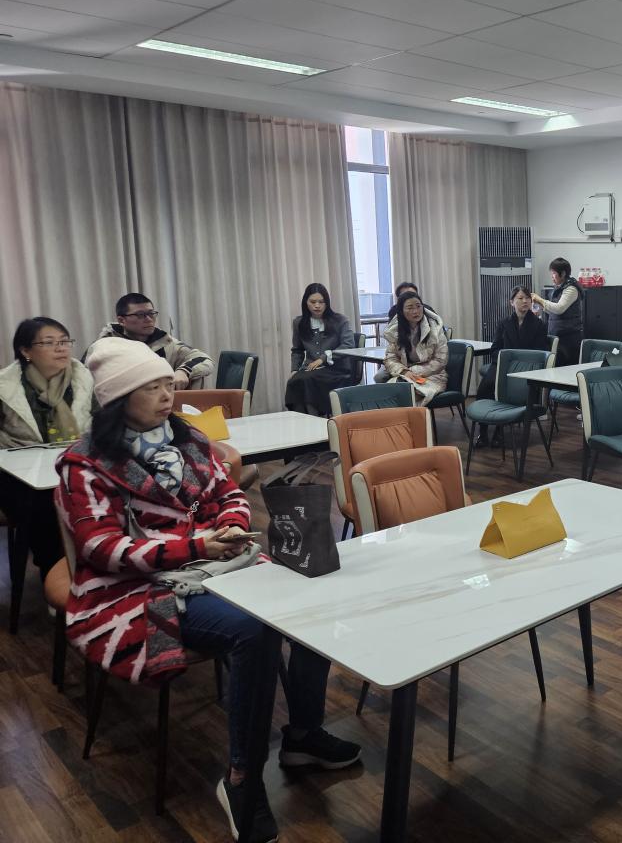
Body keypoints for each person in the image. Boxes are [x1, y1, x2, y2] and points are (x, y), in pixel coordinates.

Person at [55, 338, 360, 843]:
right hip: (135, 591)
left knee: (310, 593)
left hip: (214, 564)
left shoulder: (186, 439)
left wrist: (232, 525)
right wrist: (196, 544)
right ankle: (242, 780)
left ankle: (303, 735)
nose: (166, 396)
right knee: (254, 631)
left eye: (166, 384)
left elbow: (229, 492)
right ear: (116, 400)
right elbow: (100, 548)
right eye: (150, 388)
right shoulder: (84, 464)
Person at [0, 317, 94, 582]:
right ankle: (54, 571)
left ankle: (96, 561)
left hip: (76, 460)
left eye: (64, 341)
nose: (61, 348)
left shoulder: (84, 378)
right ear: (26, 351)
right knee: (43, 503)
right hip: (18, 471)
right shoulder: (5, 387)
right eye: (49, 343)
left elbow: (102, 423)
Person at [475, 285, 549, 447]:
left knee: (507, 390)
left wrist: (517, 363)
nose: (525, 301)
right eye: (520, 298)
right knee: (486, 386)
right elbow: (495, 348)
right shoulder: (504, 323)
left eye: (527, 298)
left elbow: (540, 352)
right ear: (511, 302)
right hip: (503, 366)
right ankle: (483, 431)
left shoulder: (539, 325)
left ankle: (499, 430)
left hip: (525, 369)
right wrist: (504, 361)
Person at [91, 293, 213, 389]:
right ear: (122, 320)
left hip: (164, 402)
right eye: (140, 315)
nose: (149, 319)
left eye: (151, 313)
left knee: (195, 375)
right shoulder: (104, 346)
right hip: (121, 405)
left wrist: (184, 371)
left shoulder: (165, 341)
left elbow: (203, 358)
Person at [286, 283, 357, 417]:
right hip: (310, 369)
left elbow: (348, 344)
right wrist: (294, 370)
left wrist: (322, 359)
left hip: (336, 369)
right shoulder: (299, 322)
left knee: (307, 380)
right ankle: (303, 419)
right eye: (313, 302)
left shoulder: (340, 320)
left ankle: (314, 418)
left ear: (327, 303)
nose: (317, 306)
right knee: (294, 381)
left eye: (321, 302)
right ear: (306, 302)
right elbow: (297, 350)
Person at [382, 290, 448, 406]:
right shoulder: (395, 331)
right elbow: (390, 358)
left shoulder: (435, 329)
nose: (415, 311)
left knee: (405, 395)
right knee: (389, 393)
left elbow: (440, 360)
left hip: (433, 376)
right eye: (410, 308)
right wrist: (404, 371)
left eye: (418, 306)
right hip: (405, 375)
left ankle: (415, 417)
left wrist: (413, 371)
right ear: (401, 311)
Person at [532, 257, 583, 366]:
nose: (552, 276)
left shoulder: (571, 289)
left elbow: (559, 309)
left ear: (563, 273)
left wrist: (540, 300)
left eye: (554, 273)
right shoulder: (559, 287)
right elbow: (554, 311)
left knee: (567, 368)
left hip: (569, 338)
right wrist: (541, 305)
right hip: (558, 335)